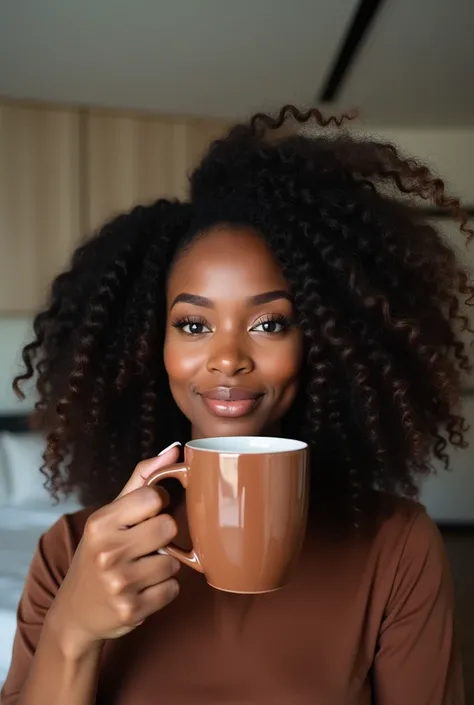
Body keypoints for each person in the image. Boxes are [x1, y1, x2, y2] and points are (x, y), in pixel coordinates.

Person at [2, 106, 470, 705]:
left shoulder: (396, 549)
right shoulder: (74, 550)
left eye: (270, 322)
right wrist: (73, 633)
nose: (228, 359)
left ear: (323, 342)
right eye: (194, 325)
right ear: (151, 345)